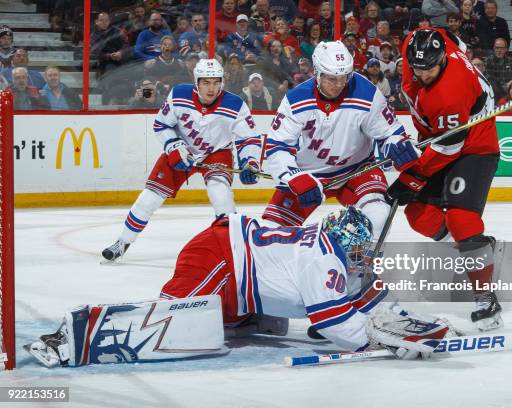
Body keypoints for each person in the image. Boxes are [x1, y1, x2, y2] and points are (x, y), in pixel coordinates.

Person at [25, 207, 450, 367]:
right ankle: (73, 336)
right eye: (360, 251)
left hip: (238, 275)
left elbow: (367, 292)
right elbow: (337, 324)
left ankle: (236, 318)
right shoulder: (322, 261)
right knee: (168, 323)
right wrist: (378, 339)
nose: (364, 259)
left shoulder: (334, 251)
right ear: (344, 243)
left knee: (248, 327)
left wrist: (407, 318)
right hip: (219, 257)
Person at [101, 59, 262, 261]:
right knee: (148, 198)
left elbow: (249, 138)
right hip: (181, 150)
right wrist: (174, 146)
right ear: (197, 82)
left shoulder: (235, 104)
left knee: (220, 194)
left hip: (216, 152)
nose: (211, 88)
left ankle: (234, 249)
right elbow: (161, 125)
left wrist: (250, 162)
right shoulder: (179, 95)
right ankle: (122, 242)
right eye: (206, 82)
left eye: (215, 82)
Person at [396, 28, 502, 331]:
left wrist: (412, 177)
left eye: (430, 68)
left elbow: (449, 148)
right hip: (437, 139)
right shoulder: (422, 42)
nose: (424, 74)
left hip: (474, 148)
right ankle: (477, 248)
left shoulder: (451, 90)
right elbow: (457, 40)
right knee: (418, 215)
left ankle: (485, 296)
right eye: (418, 67)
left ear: (443, 58)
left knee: (461, 220)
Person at [260, 40, 420, 243]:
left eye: (343, 77)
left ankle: (363, 271)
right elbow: (277, 147)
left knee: (379, 214)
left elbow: (390, 132)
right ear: (317, 73)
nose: (338, 84)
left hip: (357, 170)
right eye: (331, 78)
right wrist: (293, 177)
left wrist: (395, 144)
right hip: (310, 175)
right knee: (271, 233)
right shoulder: (295, 100)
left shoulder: (367, 93)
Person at [90, 12, 129, 76]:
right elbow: (97, 53)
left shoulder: (118, 31)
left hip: (121, 58)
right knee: (111, 69)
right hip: (106, 62)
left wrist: (120, 52)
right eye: (101, 20)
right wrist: (110, 56)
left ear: (109, 21)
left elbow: (126, 44)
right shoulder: (93, 36)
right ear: (96, 21)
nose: (104, 22)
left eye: (106, 20)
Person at [485, 37, 512, 102]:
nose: (499, 50)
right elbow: (490, 79)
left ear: (506, 49)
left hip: (509, 94)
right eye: (497, 48)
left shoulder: (511, 62)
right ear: (494, 49)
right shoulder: (488, 62)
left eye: (502, 48)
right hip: (494, 94)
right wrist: (504, 85)